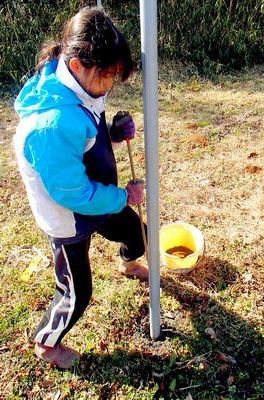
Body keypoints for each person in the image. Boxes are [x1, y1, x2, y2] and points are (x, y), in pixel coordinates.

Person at [13, 7, 148, 369]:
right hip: (70, 217)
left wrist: (114, 134)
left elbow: (87, 139)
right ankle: (47, 344)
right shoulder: (51, 124)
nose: (109, 86)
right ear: (76, 65)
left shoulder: (81, 85)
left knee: (137, 233)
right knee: (76, 292)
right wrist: (123, 196)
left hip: (95, 194)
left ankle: (127, 263)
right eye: (107, 77)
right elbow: (72, 194)